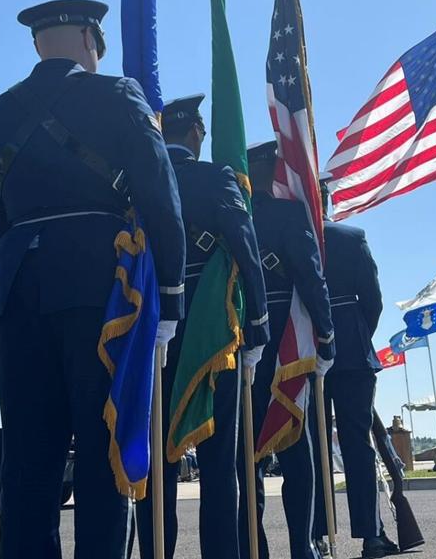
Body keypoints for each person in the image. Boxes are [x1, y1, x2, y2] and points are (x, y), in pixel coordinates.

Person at [0, 0, 186, 559]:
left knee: (28, 460)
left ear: (37, 44)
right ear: (91, 39)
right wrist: (169, 301)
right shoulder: (118, 95)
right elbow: (161, 200)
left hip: (18, 288)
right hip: (101, 286)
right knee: (102, 450)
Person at [136, 93, 270, 559]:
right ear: (196, 132)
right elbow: (245, 248)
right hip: (214, 332)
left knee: (156, 462)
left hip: (149, 328)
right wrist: (257, 326)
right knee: (219, 467)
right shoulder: (217, 177)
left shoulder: (139, 180)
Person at [237, 141, 335, 559]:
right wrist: (327, 338)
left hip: (243, 338)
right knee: (298, 447)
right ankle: (303, 547)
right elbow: (313, 280)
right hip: (288, 342)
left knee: (248, 455)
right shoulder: (292, 214)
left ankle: (252, 547)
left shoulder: (237, 212)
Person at [311, 179, 396, 559]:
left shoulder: (289, 234)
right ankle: (371, 535)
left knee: (311, 448)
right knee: (357, 444)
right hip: (351, 352)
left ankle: (315, 534)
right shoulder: (351, 236)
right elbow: (373, 301)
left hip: (306, 352)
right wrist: (356, 335)